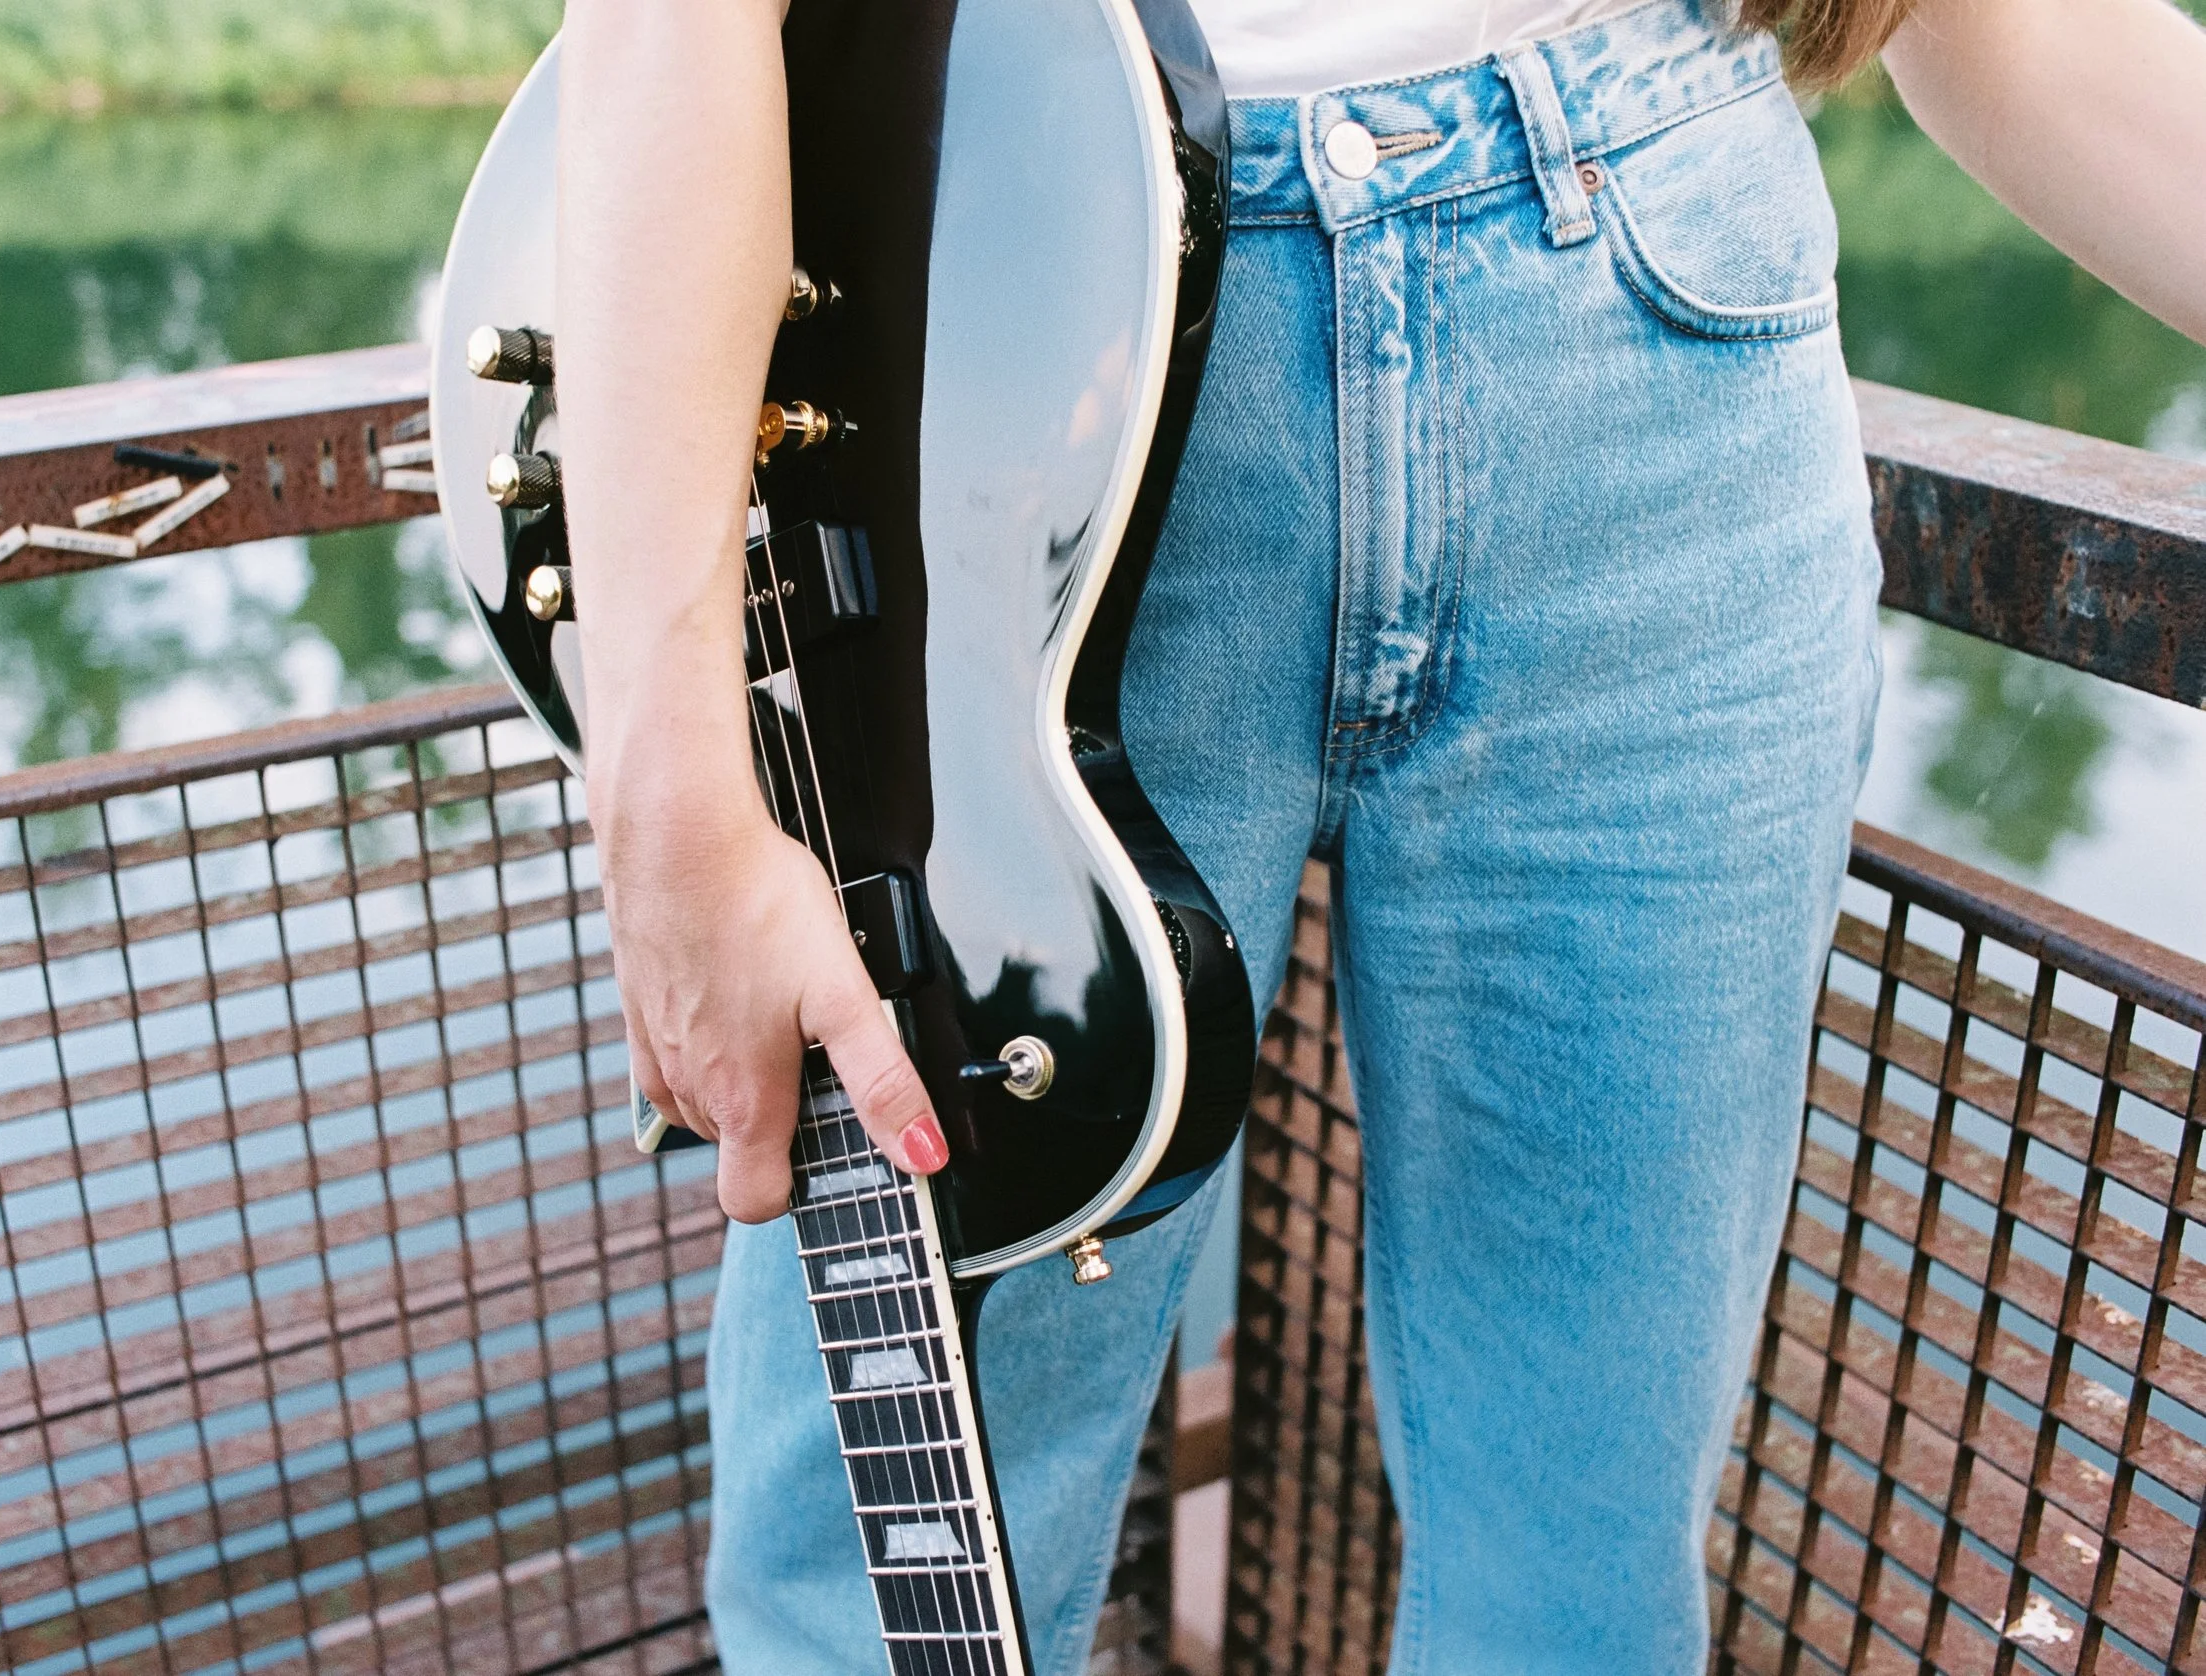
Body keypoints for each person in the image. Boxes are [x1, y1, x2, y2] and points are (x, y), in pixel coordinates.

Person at [549, 0, 2206, 1665]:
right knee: (875, 1605)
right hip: (1007, 314)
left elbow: (2019, 30)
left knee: (1573, 1588)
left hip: (1653, 369)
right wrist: (666, 791)